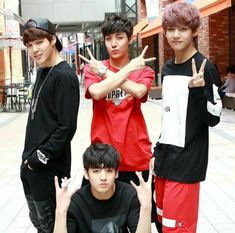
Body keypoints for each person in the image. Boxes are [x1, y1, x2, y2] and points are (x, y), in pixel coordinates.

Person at [79, 14, 161, 231]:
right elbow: (96, 92)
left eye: (119, 37)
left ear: (130, 39)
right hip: (102, 161)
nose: (113, 44)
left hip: (136, 156)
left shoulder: (144, 69)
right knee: (100, 223)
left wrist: (106, 73)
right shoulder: (93, 67)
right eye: (108, 39)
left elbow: (139, 90)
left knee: (141, 219)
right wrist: (123, 69)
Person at [152, 2, 222, 233]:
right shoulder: (168, 69)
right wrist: (156, 153)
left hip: (187, 164)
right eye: (171, 29)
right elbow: (169, 117)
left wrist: (199, 93)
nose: (175, 35)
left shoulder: (205, 68)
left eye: (182, 29)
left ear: (194, 31)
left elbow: (214, 118)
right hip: (164, 163)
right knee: (162, 224)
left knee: (178, 229)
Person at [21, 16, 80, 233]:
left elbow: (66, 128)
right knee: (39, 225)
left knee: (53, 227)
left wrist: (38, 159)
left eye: (39, 42)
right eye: (29, 45)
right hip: (32, 168)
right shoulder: (42, 71)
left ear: (52, 40)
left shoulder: (64, 76)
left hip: (49, 169)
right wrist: (27, 162)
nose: (34, 49)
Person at [53, 143, 153, 233]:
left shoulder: (129, 195)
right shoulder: (76, 202)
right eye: (96, 171)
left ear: (116, 173)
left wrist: (146, 207)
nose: (103, 178)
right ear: (86, 174)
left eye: (109, 171)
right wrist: (60, 211)